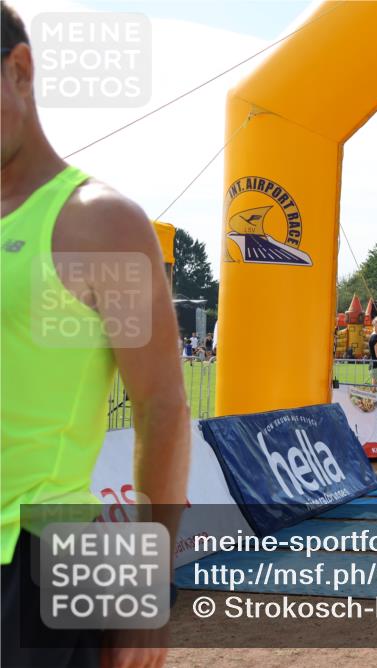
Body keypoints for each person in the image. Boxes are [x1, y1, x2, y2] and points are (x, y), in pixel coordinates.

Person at [1, 5, 191, 665]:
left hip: (38, 558)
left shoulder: (98, 224)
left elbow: (162, 407)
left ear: (19, 71)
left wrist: (146, 593)